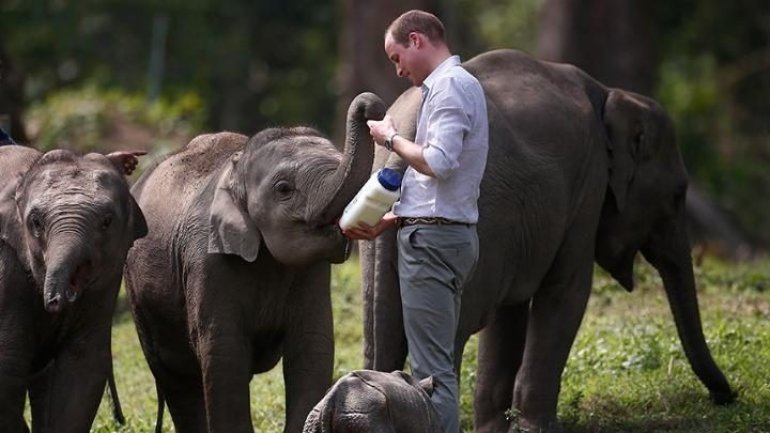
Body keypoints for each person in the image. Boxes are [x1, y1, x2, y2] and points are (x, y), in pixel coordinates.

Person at [343, 9, 488, 433]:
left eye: (396, 56)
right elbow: (443, 184)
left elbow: (439, 163)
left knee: (431, 372)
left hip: (434, 243)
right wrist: (392, 219)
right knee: (436, 361)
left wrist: (390, 138)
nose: (398, 67)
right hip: (444, 233)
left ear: (417, 40)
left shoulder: (449, 88)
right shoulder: (455, 87)